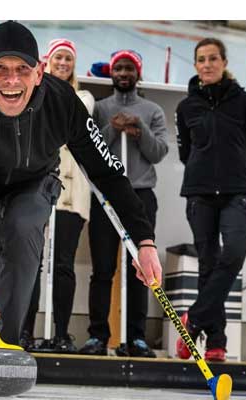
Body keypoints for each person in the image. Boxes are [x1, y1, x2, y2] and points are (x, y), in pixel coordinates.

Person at [0, 21, 162, 346]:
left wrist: (145, 240)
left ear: (39, 72)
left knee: (25, 229)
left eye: (22, 69)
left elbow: (107, 172)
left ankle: (4, 345)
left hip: (34, 180)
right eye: (0, 69)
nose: (12, 80)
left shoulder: (63, 103)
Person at [175, 38, 246, 362]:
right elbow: (185, 151)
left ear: (224, 62)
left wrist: (234, 172)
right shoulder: (186, 107)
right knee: (208, 265)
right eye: (201, 59)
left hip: (236, 193)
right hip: (199, 194)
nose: (207, 64)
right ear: (196, 65)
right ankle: (216, 343)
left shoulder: (245, 102)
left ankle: (193, 320)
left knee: (235, 254)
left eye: (213, 58)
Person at [79, 49, 169, 358]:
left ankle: (137, 339)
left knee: (140, 270)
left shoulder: (152, 110)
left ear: (138, 73)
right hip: (106, 197)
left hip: (141, 195)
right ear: (111, 73)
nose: (124, 73)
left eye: (130, 68)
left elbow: (158, 152)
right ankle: (97, 337)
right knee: (102, 269)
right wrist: (113, 129)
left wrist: (139, 129)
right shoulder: (101, 109)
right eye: (119, 68)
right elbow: (89, 149)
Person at [20, 39, 95, 353]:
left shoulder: (84, 97)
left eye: (68, 59)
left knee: (62, 264)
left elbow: (69, 121)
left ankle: (62, 333)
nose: (63, 63)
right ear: (46, 62)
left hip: (71, 194)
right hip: (37, 188)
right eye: (58, 58)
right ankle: (23, 330)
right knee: (31, 263)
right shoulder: (30, 95)